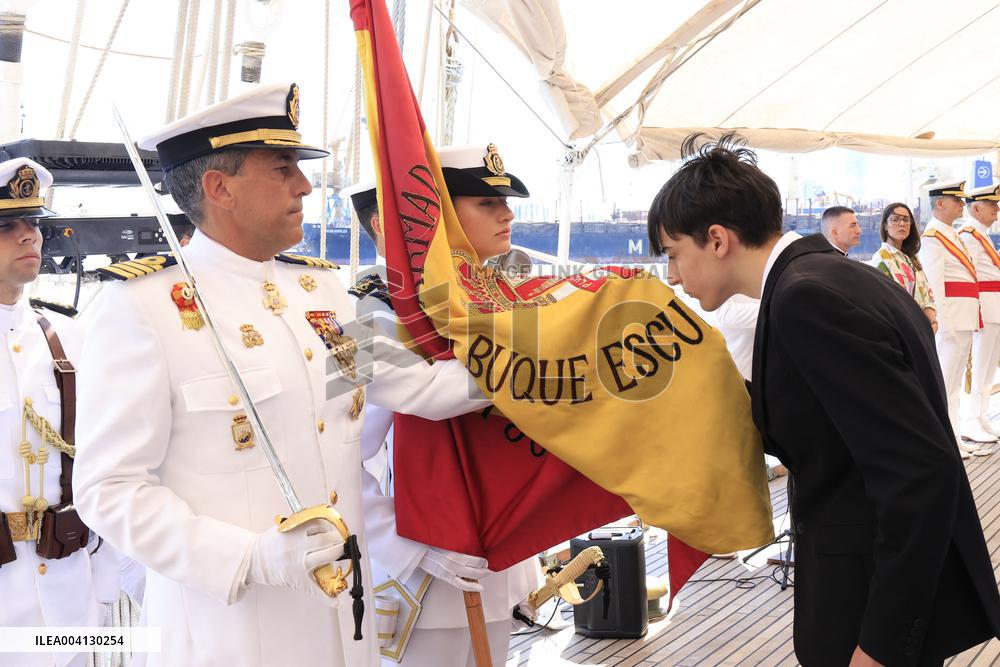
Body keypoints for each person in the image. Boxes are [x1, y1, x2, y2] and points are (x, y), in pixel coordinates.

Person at [72, 83, 487, 667]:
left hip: (345, 626)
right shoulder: (143, 306)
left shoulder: (323, 290)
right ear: (220, 188)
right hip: (232, 633)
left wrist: (543, 365)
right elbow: (107, 491)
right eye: (283, 168)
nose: (306, 186)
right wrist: (250, 557)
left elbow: (419, 386)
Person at [646, 132, 1000, 667]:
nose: (672, 275)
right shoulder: (838, 276)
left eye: (674, 254)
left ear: (717, 239)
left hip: (865, 603)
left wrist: (880, 644)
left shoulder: (805, 298)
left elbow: (920, 471)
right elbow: (826, 419)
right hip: (873, 584)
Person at [347, 143, 542, 667]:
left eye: (504, 200)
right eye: (484, 202)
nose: (507, 213)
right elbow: (337, 455)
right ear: (431, 217)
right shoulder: (369, 312)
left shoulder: (505, 301)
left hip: (497, 556)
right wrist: (408, 544)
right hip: (423, 569)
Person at [0, 158, 119, 666]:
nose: (31, 236)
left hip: (70, 591)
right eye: (8, 226)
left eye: (35, 224)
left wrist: (108, 580)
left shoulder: (69, 339)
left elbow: (106, 461)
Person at [918, 181, 989, 457]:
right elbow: (934, 283)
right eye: (957, 201)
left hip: (965, 316)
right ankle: (944, 439)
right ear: (940, 203)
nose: (962, 205)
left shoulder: (951, 234)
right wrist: (943, 324)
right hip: (952, 320)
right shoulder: (933, 237)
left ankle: (954, 434)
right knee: (945, 382)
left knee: (955, 383)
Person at [958, 184, 1000, 446]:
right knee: (980, 364)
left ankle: (981, 415)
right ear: (976, 208)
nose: (997, 209)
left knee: (988, 368)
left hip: (993, 303)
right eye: (992, 205)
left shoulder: (981, 234)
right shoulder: (969, 235)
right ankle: (971, 419)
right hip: (983, 306)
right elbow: (969, 274)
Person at [868, 202, 937, 331]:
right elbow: (892, 299)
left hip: (921, 327)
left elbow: (926, 290)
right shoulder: (882, 258)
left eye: (906, 219)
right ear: (885, 225)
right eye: (895, 219)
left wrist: (931, 319)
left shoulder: (911, 257)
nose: (901, 223)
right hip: (902, 327)